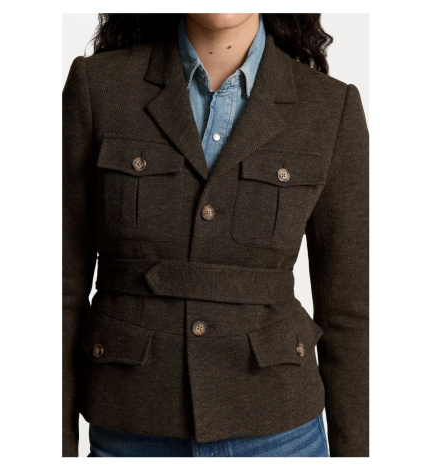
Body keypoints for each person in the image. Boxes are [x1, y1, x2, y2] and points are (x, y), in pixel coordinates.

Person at [62, 13, 369, 458]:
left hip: (281, 433)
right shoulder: (98, 86)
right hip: (131, 425)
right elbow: (58, 288)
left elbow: (350, 309)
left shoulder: (329, 107)